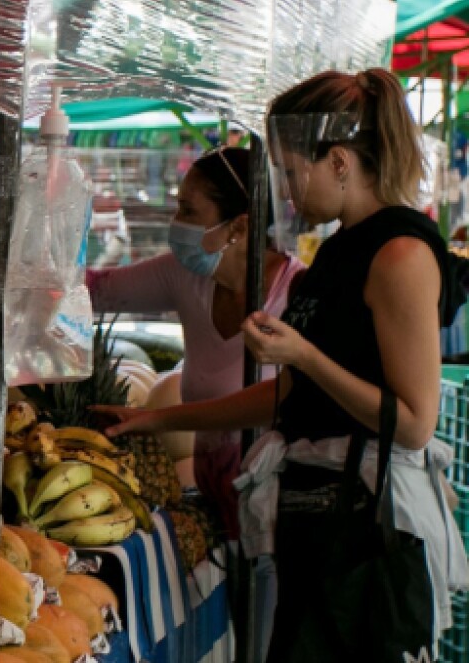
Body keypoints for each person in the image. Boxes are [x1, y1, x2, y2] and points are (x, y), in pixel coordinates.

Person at [99, 69, 468, 660]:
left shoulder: (400, 254)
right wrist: (155, 421)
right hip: (316, 525)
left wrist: (304, 355)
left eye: (292, 173)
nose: (287, 194)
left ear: (340, 163)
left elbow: (415, 423)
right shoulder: (338, 252)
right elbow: (286, 396)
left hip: (366, 538)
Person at [87, 146, 306, 534]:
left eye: (189, 212)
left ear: (239, 227)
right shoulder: (186, 277)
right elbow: (94, 291)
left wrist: (156, 419)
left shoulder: (297, 294)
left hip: (279, 523)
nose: (177, 223)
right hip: (215, 509)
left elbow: (282, 403)